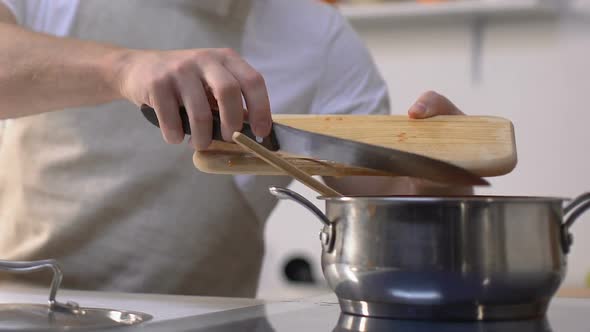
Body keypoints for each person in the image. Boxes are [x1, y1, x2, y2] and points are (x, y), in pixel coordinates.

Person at [0, 0, 468, 297]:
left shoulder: (320, 37)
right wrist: (122, 69)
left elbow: (392, 208)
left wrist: (434, 186)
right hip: (28, 310)